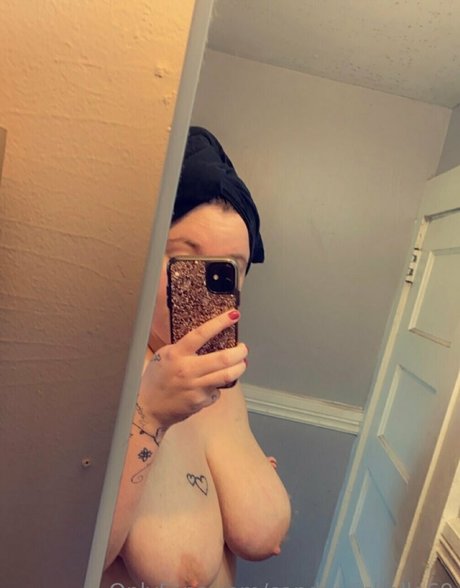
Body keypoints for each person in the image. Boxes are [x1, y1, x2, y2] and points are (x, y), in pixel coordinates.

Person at [101, 127, 291, 588]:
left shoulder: (223, 380)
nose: (206, 286)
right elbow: (62, 561)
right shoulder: (103, 382)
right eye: (186, 260)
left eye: (230, 267)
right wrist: (149, 415)